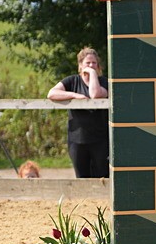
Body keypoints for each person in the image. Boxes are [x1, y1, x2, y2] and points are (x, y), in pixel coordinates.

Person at [47, 47, 111, 178]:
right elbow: (51, 93)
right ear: (80, 65)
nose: (91, 65)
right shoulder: (72, 81)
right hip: (77, 139)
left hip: (100, 139)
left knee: (102, 175)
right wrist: (74, 96)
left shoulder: (104, 82)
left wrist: (92, 74)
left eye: (94, 63)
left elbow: (95, 94)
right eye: (88, 63)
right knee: (81, 177)